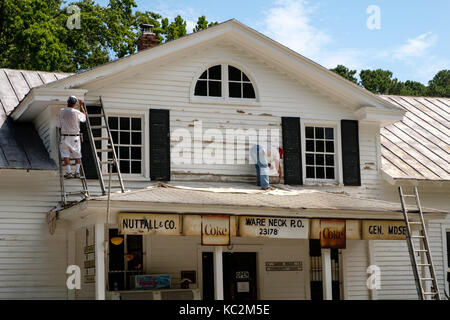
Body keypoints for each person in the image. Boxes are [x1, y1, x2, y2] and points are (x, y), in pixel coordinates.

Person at [58, 96, 87, 179]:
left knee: (65, 153)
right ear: (75, 104)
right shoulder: (77, 112)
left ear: (68, 102)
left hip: (65, 136)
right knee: (77, 154)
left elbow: (60, 123)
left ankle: (69, 172)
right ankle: (77, 172)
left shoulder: (62, 111)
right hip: (75, 137)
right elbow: (84, 118)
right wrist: (81, 105)